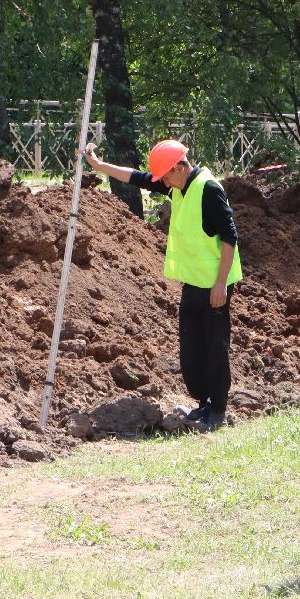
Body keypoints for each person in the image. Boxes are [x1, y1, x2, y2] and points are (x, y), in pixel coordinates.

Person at [82, 139, 241, 432]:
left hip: (215, 286)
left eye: (167, 175)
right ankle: (203, 404)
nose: (164, 182)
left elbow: (230, 238)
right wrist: (99, 166)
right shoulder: (178, 185)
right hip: (192, 282)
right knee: (192, 351)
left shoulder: (208, 189)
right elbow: (138, 178)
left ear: (180, 167)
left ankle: (217, 412)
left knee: (215, 349)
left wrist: (221, 285)